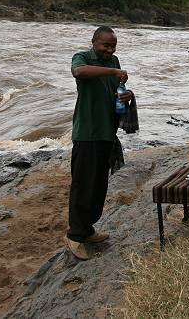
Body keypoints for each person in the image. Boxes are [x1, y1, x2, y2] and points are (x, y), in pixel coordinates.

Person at [66, 26, 133, 260]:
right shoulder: (83, 57)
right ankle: (75, 236)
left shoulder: (113, 61)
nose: (110, 49)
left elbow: (117, 92)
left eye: (113, 45)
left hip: (106, 133)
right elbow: (79, 72)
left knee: (98, 186)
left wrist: (127, 94)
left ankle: (88, 229)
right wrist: (111, 72)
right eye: (105, 45)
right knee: (83, 185)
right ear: (94, 42)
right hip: (87, 132)